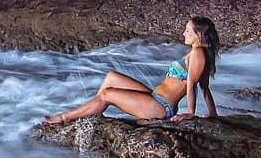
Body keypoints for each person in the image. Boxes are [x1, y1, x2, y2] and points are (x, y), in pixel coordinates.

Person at [42, 16, 220, 124]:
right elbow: (205, 87)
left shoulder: (198, 54)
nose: (183, 33)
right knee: (112, 77)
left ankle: (63, 118)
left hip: (160, 107)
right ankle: (93, 111)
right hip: (155, 97)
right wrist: (212, 113)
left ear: (200, 35)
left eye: (188, 31)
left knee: (107, 94)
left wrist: (190, 113)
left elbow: (192, 85)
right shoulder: (198, 53)